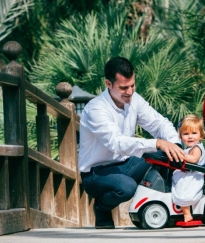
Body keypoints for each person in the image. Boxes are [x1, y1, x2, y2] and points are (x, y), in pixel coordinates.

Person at [79, 56, 185, 229]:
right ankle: (101, 207)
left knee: (166, 155)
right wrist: (157, 142)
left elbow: (158, 123)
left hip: (125, 164)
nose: (129, 91)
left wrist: (175, 144)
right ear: (108, 83)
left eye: (132, 85)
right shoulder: (96, 109)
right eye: (123, 87)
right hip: (96, 173)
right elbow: (117, 143)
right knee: (126, 187)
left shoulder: (134, 99)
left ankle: (168, 206)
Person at [171, 114, 205, 222]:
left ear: (201, 135)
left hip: (193, 177)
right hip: (186, 174)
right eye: (186, 134)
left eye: (194, 133)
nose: (190, 136)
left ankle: (187, 214)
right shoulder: (187, 148)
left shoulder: (197, 148)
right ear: (181, 137)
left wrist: (180, 155)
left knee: (183, 193)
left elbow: (194, 159)